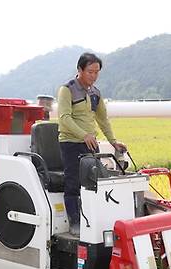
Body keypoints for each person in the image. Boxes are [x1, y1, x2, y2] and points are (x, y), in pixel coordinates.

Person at [57, 52, 127, 235]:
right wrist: (83, 135)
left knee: (95, 182)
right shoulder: (67, 90)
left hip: (90, 144)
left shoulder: (96, 93)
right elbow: (64, 118)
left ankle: (94, 221)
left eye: (97, 72)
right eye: (90, 72)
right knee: (73, 182)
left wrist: (113, 142)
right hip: (71, 143)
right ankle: (75, 223)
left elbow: (103, 120)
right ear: (79, 70)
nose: (94, 76)